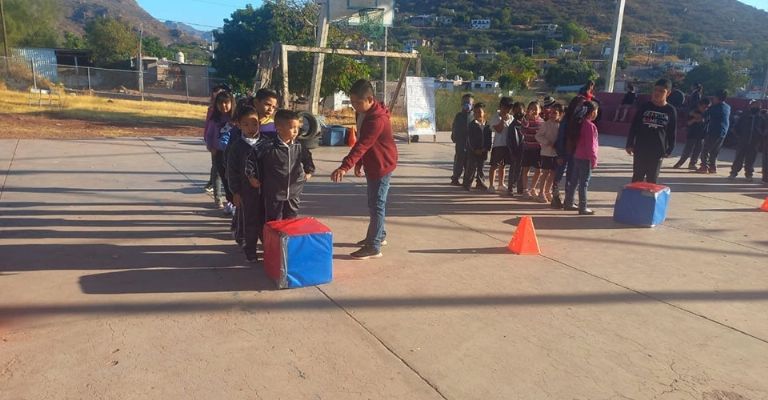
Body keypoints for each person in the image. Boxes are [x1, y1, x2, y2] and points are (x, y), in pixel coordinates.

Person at [331, 79, 398, 260]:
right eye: (352, 102)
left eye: (357, 103)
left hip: (382, 164)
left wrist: (345, 166)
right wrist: (360, 163)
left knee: (377, 205)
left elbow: (362, 144)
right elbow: (364, 141)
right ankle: (379, 235)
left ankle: (373, 246)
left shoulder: (377, 119)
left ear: (370, 99)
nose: (354, 106)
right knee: (374, 203)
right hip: (373, 161)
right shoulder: (363, 113)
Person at [247, 110, 315, 224]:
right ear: (279, 128)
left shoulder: (299, 146)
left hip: (294, 192)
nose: (295, 131)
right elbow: (250, 161)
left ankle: (287, 241)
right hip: (273, 193)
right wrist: (251, 176)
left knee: (291, 220)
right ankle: (272, 241)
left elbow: (308, 159)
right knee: (273, 221)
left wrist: (309, 173)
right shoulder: (267, 146)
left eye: (297, 127)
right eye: (292, 127)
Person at [227, 102, 264, 262]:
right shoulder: (237, 147)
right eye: (246, 124)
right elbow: (231, 172)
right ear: (239, 125)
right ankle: (250, 250)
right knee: (249, 222)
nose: (251, 127)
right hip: (246, 192)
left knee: (265, 221)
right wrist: (235, 192)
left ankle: (269, 247)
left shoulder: (267, 144)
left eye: (254, 123)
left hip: (265, 192)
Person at [626, 78, 677, 183]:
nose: (657, 93)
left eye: (661, 91)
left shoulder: (671, 110)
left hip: (657, 150)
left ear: (668, 93)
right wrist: (629, 143)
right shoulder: (645, 107)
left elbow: (672, 131)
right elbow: (634, 126)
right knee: (637, 177)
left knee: (652, 179)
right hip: (640, 148)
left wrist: (670, 148)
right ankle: (634, 199)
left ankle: (648, 199)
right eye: (655, 90)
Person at [564, 101, 600, 215]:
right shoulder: (590, 126)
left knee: (574, 181)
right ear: (592, 112)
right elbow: (591, 145)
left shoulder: (579, 123)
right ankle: (583, 206)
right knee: (584, 183)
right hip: (586, 158)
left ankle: (568, 202)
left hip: (577, 156)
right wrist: (593, 159)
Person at [204, 91, 235, 210]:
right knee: (217, 174)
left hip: (232, 153)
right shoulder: (214, 120)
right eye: (220, 103)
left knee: (230, 177)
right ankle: (218, 198)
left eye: (226, 103)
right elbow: (209, 134)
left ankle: (231, 201)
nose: (223, 106)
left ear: (231, 103)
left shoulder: (235, 119)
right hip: (218, 152)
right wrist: (211, 147)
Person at [729, 100, 766, 182]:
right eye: (755, 105)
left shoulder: (761, 118)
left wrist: (760, 136)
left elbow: (764, 130)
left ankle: (749, 174)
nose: (757, 107)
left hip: (754, 143)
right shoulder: (744, 116)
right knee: (738, 158)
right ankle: (733, 173)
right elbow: (736, 128)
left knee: (751, 159)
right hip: (742, 141)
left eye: (759, 106)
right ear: (751, 106)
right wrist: (739, 137)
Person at [535, 102, 563, 203]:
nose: (552, 115)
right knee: (545, 173)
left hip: (556, 154)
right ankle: (541, 192)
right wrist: (547, 142)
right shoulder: (545, 124)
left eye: (555, 113)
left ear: (560, 114)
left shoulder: (561, 126)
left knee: (553, 174)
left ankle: (548, 191)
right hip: (546, 153)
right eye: (551, 113)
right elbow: (538, 136)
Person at [698, 89, 731, 174]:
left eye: (714, 97)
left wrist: (702, 109)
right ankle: (712, 167)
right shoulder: (727, 107)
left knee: (705, 150)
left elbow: (703, 115)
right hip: (723, 132)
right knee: (715, 151)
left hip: (714, 131)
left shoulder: (714, 107)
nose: (713, 99)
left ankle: (704, 166)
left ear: (717, 98)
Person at [673, 98, 711, 169]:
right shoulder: (693, 111)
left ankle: (692, 164)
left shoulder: (707, 114)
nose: (705, 109)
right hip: (692, 134)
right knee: (687, 151)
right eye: (704, 107)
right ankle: (680, 163)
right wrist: (694, 119)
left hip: (702, 135)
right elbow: (688, 123)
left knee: (697, 151)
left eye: (707, 107)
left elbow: (705, 120)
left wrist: (699, 117)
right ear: (699, 106)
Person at [462, 102, 492, 191]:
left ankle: (480, 183)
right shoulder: (472, 125)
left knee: (481, 168)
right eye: (475, 112)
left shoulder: (487, 125)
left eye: (479, 112)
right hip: (473, 151)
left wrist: (487, 148)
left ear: (484, 113)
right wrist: (474, 149)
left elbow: (489, 138)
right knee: (471, 168)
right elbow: (470, 139)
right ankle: (467, 183)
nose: (477, 114)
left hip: (483, 150)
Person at [488, 97, 514, 193]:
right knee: (494, 165)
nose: (506, 110)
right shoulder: (495, 117)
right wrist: (502, 120)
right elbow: (498, 130)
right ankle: (491, 185)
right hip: (498, 144)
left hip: (507, 145)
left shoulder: (511, 117)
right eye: (505, 107)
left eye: (509, 108)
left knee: (503, 166)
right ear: (501, 106)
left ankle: (501, 184)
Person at [520, 101, 543, 198]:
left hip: (538, 149)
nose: (533, 111)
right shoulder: (525, 120)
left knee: (539, 170)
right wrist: (526, 118)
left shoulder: (542, 122)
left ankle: (533, 188)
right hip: (528, 149)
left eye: (535, 109)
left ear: (540, 110)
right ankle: (525, 189)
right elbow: (522, 130)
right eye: (531, 108)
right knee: (525, 169)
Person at [450, 94, 474, 185]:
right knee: (458, 161)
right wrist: (454, 136)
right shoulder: (459, 116)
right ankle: (455, 178)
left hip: (471, 144)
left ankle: (466, 179)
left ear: (472, 105)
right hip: (460, 142)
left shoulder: (474, 116)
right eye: (464, 103)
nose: (466, 105)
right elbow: (454, 127)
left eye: (469, 103)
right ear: (461, 104)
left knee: (469, 163)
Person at [505, 102, 526, 196]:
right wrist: (511, 152)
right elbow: (509, 140)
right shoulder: (512, 126)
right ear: (513, 112)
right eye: (516, 111)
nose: (518, 114)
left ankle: (520, 188)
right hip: (515, 151)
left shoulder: (526, 124)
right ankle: (511, 187)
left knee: (523, 170)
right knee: (514, 169)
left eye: (520, 111)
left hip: (525, 150)